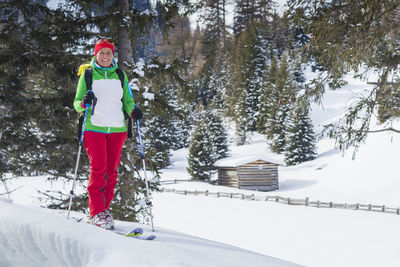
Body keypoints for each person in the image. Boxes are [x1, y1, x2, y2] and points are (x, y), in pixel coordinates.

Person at [73, 38, 143, 229]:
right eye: (101, 53)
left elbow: (128, 100)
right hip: (94, 128)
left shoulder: (120, 75)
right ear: (96, 55)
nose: (105, 56)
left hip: (117, 129)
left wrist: (133, 111)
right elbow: (77, 103)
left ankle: (103, 210)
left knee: (111, 172)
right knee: (99, 169)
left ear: (113, 55)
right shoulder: (87, 75)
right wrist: (85, 102)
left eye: (108, 53)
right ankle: (96, 212)